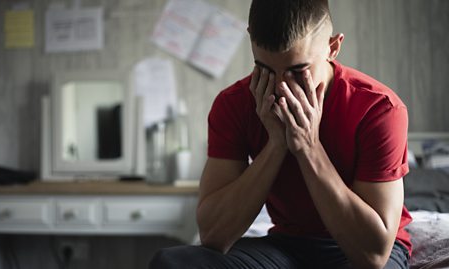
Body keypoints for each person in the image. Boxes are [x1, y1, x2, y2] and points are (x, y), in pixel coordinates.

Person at [150, 0, 412, 268]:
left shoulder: (378, 109)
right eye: (264, 69)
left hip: (359, 250)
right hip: (287, 246)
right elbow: (214, 236)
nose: (279, 87)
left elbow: (373, 255)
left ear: (333, 47)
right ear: (251, 38)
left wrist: (308, 147)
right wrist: (276, 145)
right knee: (173, 262)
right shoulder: (234, 104)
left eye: (298, 71)